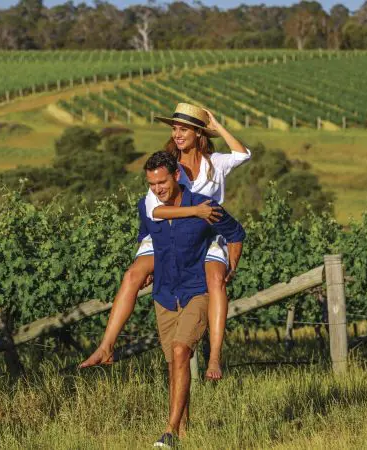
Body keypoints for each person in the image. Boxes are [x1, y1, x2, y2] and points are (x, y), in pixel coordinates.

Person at [81, 151, 245, 447]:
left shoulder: (203, 206)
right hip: (165, 292)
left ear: (177, 176)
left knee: (182, 351)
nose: (157, 189)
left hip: (197, 289)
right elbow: (146, 236)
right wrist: (145, 270)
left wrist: (230, 267)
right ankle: (182, 434)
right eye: (152, 183)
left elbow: (236, 233)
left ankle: (168, 432)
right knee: (174, 365)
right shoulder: (148, 208)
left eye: (162, 182)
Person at [80, 103, 251, 380]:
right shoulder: (168, 169)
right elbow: (154, 212)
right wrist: (194, 211)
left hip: (205, 235)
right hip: (165, 231)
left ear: (198, 133)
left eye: (183, 129)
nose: (176, 134)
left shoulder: (215, 164)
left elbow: (242, 154)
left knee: (216, 280)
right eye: (174, 129)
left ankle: (215, 358)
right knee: (133, 274)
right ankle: (106, 346)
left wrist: (216, 124)